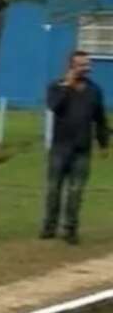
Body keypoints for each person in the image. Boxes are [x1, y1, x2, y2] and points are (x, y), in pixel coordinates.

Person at [41, 50, 108, 245]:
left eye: (88, 65)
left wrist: (103, 143)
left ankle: (70, 229)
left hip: (82, 149)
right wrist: (67, 87)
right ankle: (49, 227)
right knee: (54, 189)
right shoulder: (56, 87)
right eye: (82, 65)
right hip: (60, 148)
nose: (86, 68)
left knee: (76, 190)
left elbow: (100, 119)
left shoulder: (94, 90)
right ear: (71, 67)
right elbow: (55, 107)